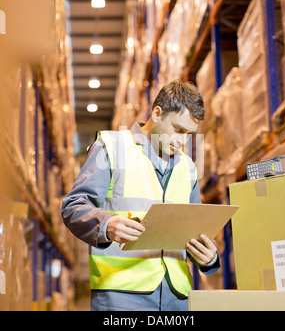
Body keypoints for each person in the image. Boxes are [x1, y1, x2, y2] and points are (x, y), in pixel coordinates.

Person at [61, 80, 220, 311]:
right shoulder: (112, 147)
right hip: (122, 297)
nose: (182, 141)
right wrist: (106, 225)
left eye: (189, 134)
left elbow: (195, 229)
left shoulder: (188, 167)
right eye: (178, 130)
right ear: (157, 113)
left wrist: (209, 257)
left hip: (177, 298)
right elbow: (73, 206)